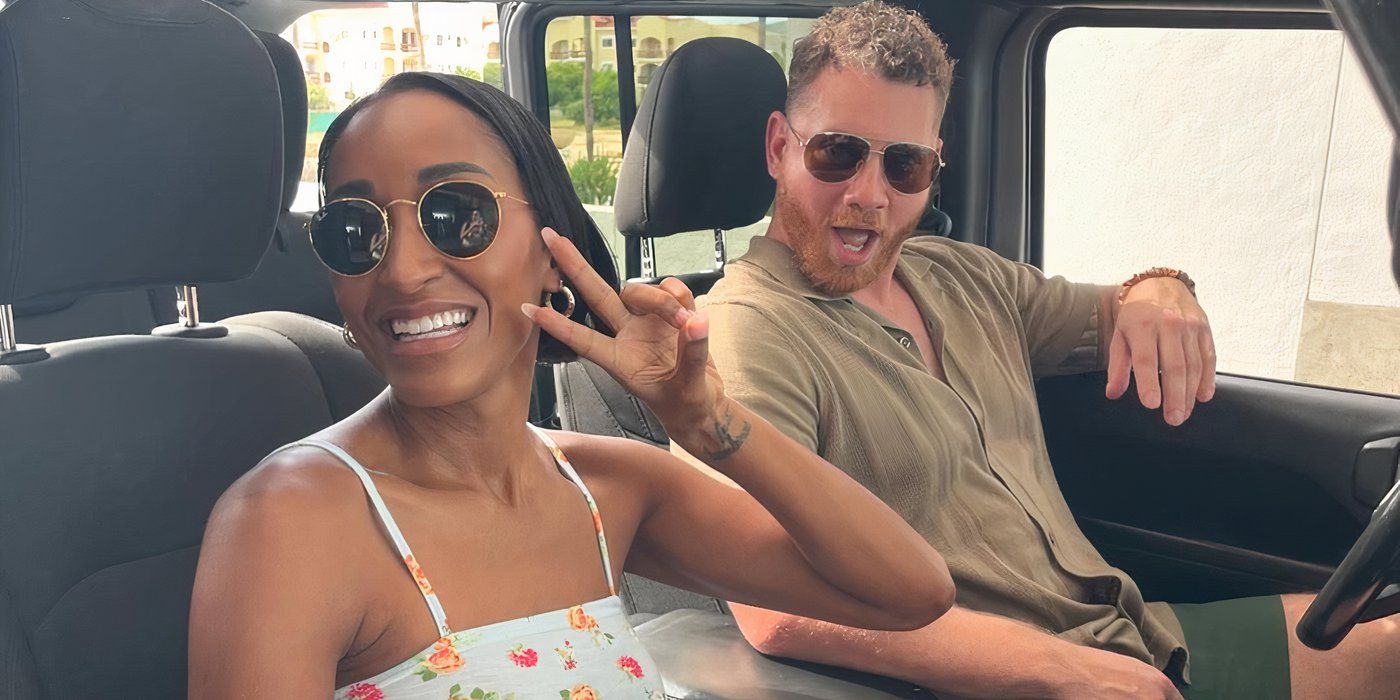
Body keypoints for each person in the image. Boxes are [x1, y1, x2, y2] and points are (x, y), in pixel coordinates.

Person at [680, 2, 1400, 698]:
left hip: (1129, 634)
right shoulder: (745, 329)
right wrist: (1059, 670)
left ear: (935, 165)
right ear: (780, 147)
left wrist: (1164, 286)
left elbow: (1118, 303)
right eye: (837, 153)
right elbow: (767, 603)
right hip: (1005, 678)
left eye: (904, 166)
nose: (869, 193)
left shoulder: (961, 276)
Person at [188, 72, 954, 698]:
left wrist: (710, 423)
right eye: (356, 231)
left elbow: (910, 592)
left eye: (457, 214)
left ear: (552, 250)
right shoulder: (292, 521)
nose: (404, 271)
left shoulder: (604, 490)